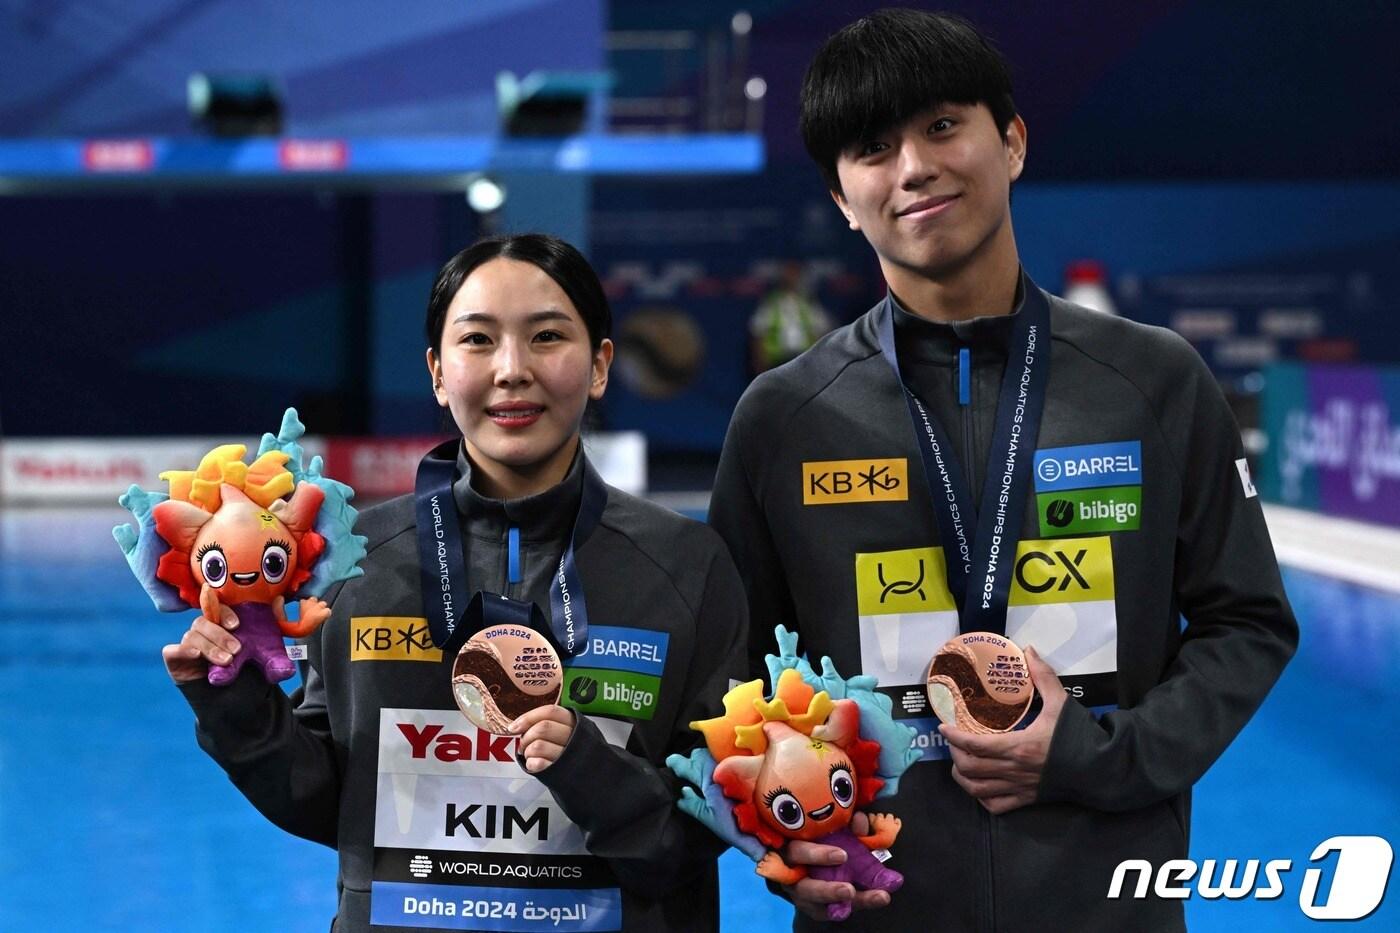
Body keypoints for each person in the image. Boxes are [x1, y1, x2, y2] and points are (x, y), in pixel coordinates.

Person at [708, 9, 1297, 931]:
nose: (914, 168)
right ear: (840, 196)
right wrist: (777, 836)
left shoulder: (1152, 382)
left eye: (943, 126)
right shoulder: (785, 418)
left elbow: (1248, 621)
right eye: (874, 148)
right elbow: (734, 681)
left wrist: (1105, 754)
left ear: (1012, 141)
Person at [165, 233, 748, 932]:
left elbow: (699, 831)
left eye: (547, 336)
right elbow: (326, 802)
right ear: (438, 373)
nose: (512, 370)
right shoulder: (358, 562)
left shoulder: (686, 565)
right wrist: (232, 701)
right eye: (478, 340)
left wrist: (585, 764)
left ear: (599, 366)